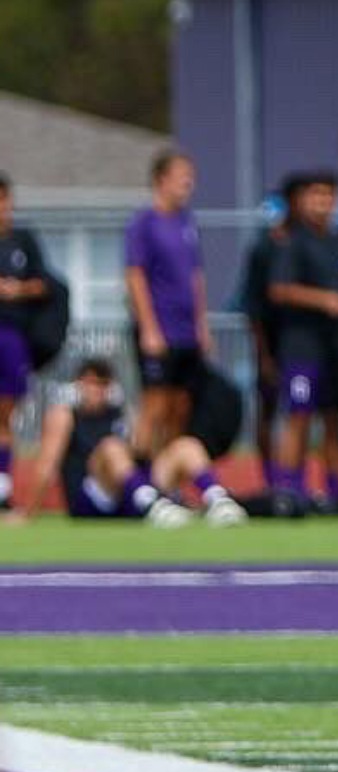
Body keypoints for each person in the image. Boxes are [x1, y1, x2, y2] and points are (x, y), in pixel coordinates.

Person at [5, 357, 244, 528]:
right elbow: (47, 463)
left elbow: (145, 454)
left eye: (101, 384)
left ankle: (219, 501)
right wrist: (27, 513)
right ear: (78, 385)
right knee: (111, 447)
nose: (94, 391)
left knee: (186, 445)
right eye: (89, 383)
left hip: (131, 491)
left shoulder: (122, 413)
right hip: (93, 498)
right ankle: (154, 507)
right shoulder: (65, 415)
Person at [268, 172, 338, 515]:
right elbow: (279, 289)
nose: (322, 203)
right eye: (315, 196)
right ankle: (289, 489)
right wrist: (323, 300)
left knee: (334, 418)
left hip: (337, 347)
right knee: (298, 416)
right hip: (302, 345)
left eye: (328, 196)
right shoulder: (294, 241)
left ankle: (334, 489)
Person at [125, 148, 213, 455]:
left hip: (186, 330)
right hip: (160, 330)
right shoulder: (143, 223)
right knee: (155, 405)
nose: (188, 183)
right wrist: (149, 328)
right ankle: (138, 480)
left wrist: (202, 325)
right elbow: (135, 276)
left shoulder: (187, 222)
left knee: (180, 407)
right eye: (182, 177)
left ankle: (169, 479)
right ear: (161, 179)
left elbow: (195, 276)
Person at [238, 178, 294, 488]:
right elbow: (253, 306)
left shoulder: (302, 243)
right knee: (268, 409)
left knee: (298, 413)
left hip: (302, 343)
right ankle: (270, 479)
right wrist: (264, 354)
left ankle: (291, 479)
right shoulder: (262, 251)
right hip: (271, 343)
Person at [0, 172, 50, 512]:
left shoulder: (24, 240)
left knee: (5, 414)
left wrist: (18, 289)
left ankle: (2, 488)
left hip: (12, 335)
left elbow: (45, 283)